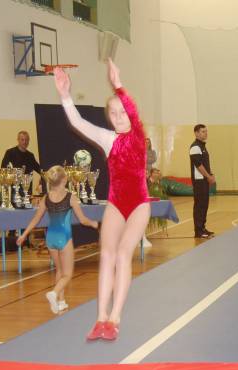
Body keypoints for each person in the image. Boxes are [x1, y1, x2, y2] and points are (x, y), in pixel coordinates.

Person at [55, 58, 154, 341]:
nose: (119, 117)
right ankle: (100, 318)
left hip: (138, 205)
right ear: (109, 116)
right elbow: (78, 123)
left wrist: (118, 84)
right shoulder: (108, 138)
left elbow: (132, 111)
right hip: (116, 204)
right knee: (106, 255)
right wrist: (65, 95)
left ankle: (115, 318)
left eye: (123, 112)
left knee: (123, 254)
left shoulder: (137, 136)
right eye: (114, 113)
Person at [17, 166, 98, 314]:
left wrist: (24, 235)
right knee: (67, 274)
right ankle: (54, 293)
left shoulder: (46, 198)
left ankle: (61, 302)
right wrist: (94, 223)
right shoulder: (70, 197)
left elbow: (36, 219)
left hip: (50, 238)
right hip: (64, 237)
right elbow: (82, 220)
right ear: (65, 180)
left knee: (59, 270)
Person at [190, 124, 215, 239]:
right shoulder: (195, 147)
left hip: (204, 180)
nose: (205, 133)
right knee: (199, 205)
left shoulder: (202, 146)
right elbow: (199, 165)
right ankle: (198, 231)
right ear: (196, 133)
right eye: (203, 131)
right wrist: (208, 176)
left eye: (206, 131)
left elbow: (205, 164)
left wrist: (211, 174)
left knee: (204, 205)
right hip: (199, 181)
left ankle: (202, 228)